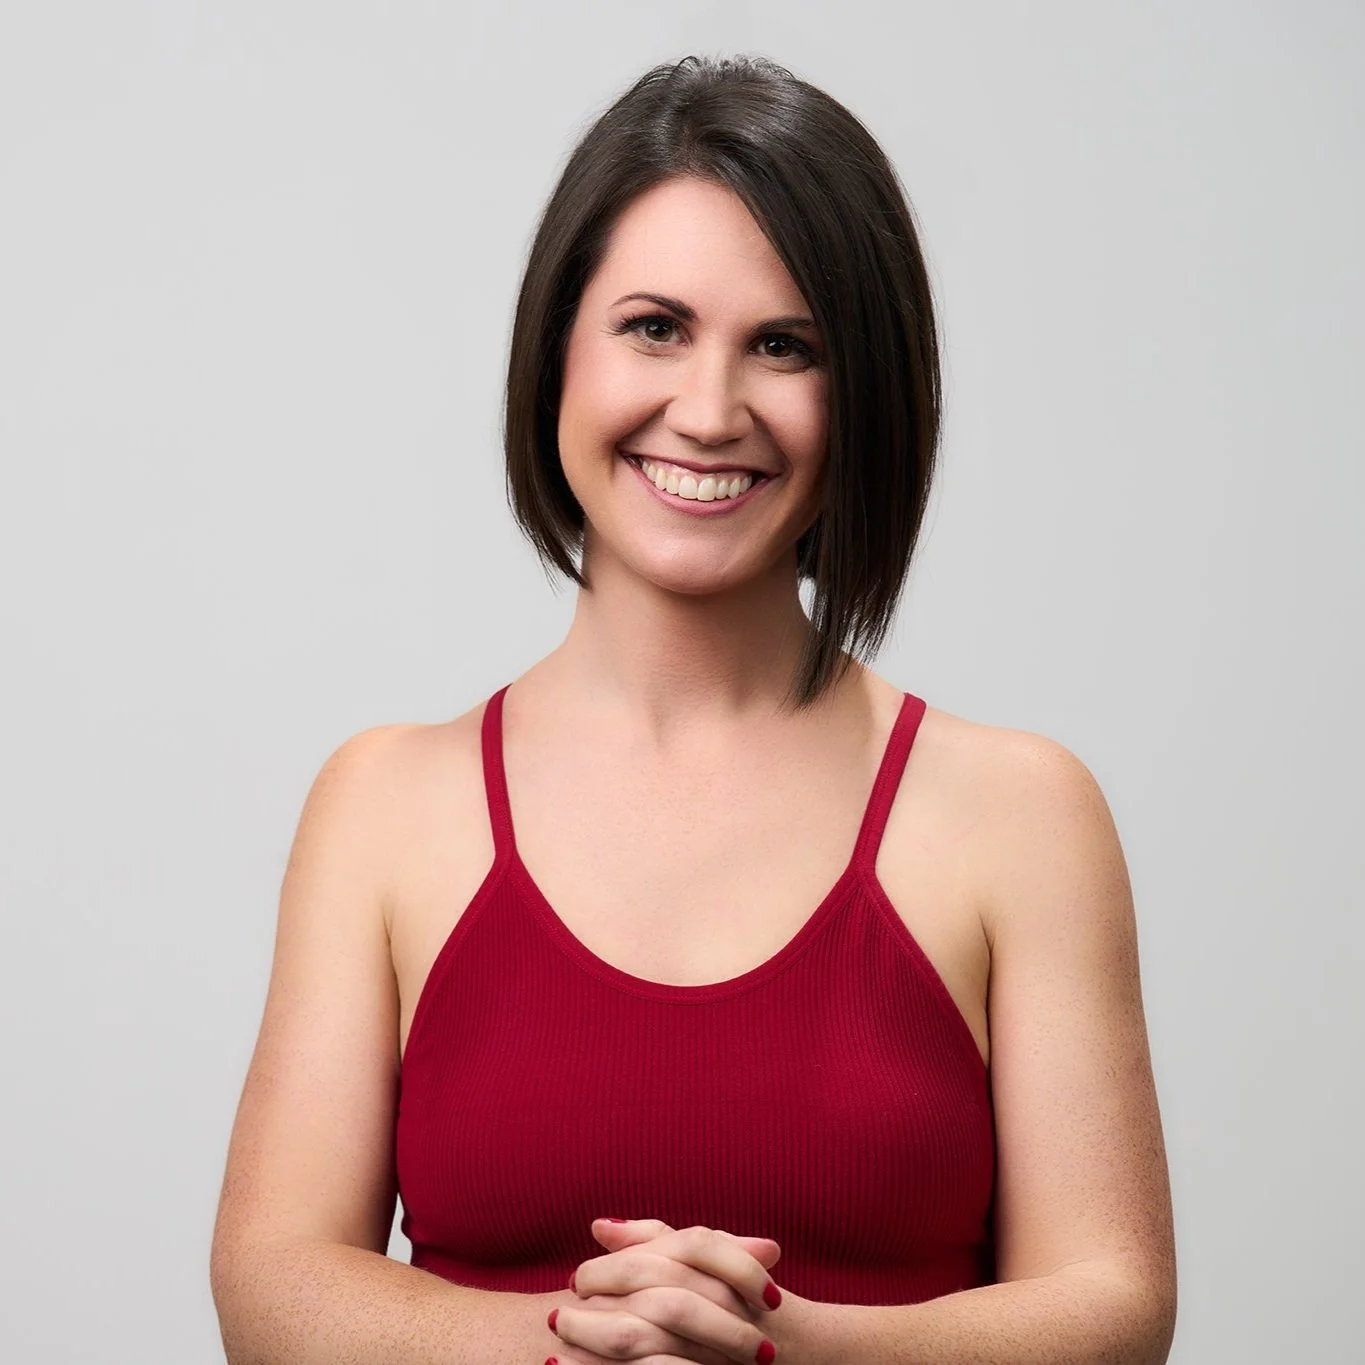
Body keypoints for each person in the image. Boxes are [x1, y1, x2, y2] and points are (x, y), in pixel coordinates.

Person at [210, 54, 1176, 1365]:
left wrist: (774, 1344)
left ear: (866, 401)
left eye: (786, 348)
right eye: (655, 327)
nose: (709, 411)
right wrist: (585, 1341)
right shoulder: (382, 807)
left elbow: (1116, 1307)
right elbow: (272, 1292)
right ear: (559, 351)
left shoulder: (1022, 815)